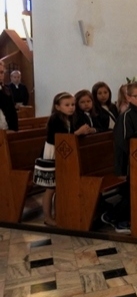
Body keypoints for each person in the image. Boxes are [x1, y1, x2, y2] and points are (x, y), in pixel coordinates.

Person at [102, 82, 137, 234]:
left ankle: (120, 216)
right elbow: (124, 142)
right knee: (132, 192)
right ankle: (116, 218)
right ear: (128, 97)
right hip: (128, 163)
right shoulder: (126, 117)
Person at [40, 92, 94, 226]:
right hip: (53, 152)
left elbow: (72, 135)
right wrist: (78, 132)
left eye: (73, 105)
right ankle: (47, 216)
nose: (71, 107)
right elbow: (61, 138)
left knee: (62, 185)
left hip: (65, 153)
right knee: (51, 187)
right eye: (67, 105)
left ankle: (59, 214)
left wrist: (86, 131)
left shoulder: (72, 118)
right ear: (57, 107)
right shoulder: (55, 119)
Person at [0, 61, 18, 131]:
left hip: (7, 129)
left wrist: (15, 131)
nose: (0, 75)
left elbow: (13, 112)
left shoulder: (7, 89)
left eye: (1, 72)